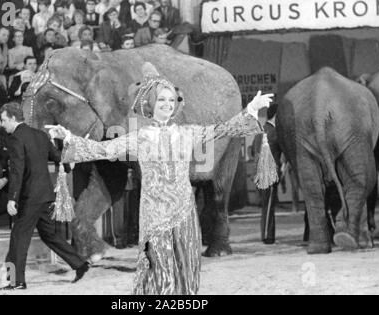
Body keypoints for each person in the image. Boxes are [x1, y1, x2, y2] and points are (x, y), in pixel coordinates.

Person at [47, 63, 273, 295]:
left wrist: (251, 109)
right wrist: (69, 138)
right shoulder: (141, 137)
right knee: (157, 273)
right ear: (151, 105)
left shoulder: (187, 133)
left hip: (184, 214)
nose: (167, 104)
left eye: (171, 100)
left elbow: (224, 129)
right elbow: (103, 150)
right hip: (154, 217)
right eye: (161, 100)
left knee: (185, 272)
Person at [0, 103, 90, 291]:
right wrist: (67, 166)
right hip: (46, 195)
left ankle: (17, 282)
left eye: (4, 120)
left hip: (29, 198)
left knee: (19, 238)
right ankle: (80, 264)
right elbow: (58, 158)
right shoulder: (40, 135)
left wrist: (12, 198)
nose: (2, 124)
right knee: (50, 235)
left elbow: (17, 171)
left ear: (14, 119)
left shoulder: (15, 138)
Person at [253, 104, 281, 245]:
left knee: (266, 205)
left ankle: (266, 234)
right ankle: (267, 235)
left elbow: (252, 150)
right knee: (269, 206)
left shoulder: (260, 130)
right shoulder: (275, 132)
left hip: (259, 173)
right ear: (277, 115)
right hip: (270, 174)